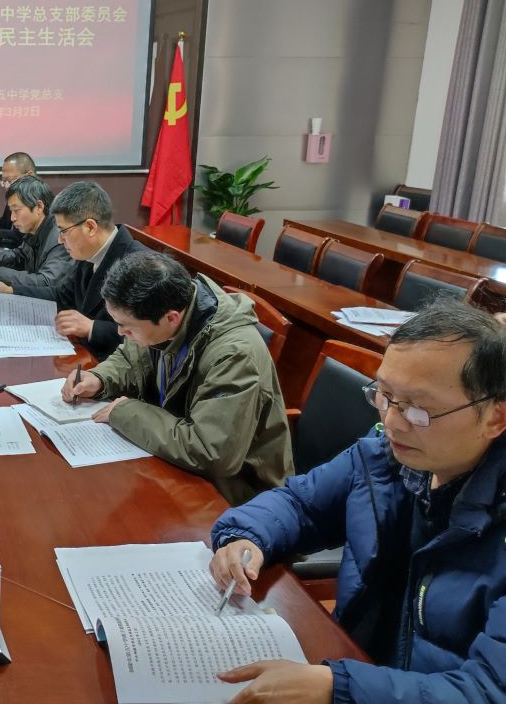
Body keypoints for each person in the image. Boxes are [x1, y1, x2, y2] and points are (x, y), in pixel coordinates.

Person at [208, 300, 506, 704]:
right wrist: (247, 537)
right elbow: (301, 503)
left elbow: (489, 691)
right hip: (359, 662)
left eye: (418, 409)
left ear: (495, 417)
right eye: (384, 395)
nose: (392, 421)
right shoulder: (386, 455)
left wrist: (339, 687)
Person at [63, 251, 291, 505]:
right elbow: (131, 357)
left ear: (171, 318)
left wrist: (126, 413)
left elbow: (211, 452)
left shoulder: (235, 355)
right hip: (177, 459)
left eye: (127, 327)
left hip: (237, 496)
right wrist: (99, 378)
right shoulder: (166, 311)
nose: (120, 332)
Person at [12, 181, 148, 360]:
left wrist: (92, 328)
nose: (60, 240)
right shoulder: (89, 253)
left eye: (63, 231)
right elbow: (62, 295)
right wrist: (11, 291)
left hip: (110, 365)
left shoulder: (140, 266)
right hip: (84, 356)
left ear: (90, 227)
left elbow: (148, 336)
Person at [0, 175, 74, 294]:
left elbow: (47, 281)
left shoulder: (60, 236)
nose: (12, 218)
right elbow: (19, 255)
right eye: (11, 211)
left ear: (39, 207)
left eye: (16, 210)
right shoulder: (35, 228)